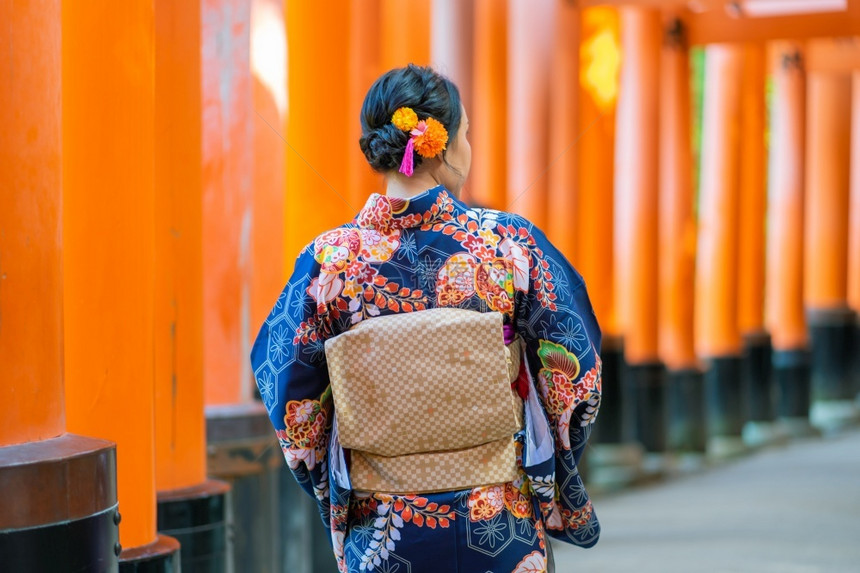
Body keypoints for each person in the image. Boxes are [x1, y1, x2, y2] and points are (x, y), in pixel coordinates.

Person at [251, 64, 602, 573]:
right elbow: (576, 373)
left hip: (383, 529)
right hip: (499, 520)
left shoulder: (331, 259)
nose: (469, 146)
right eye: (467, 134)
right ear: (443, 144)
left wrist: (335, 485)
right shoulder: (506, 244)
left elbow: (287, 388)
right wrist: (547, 470)